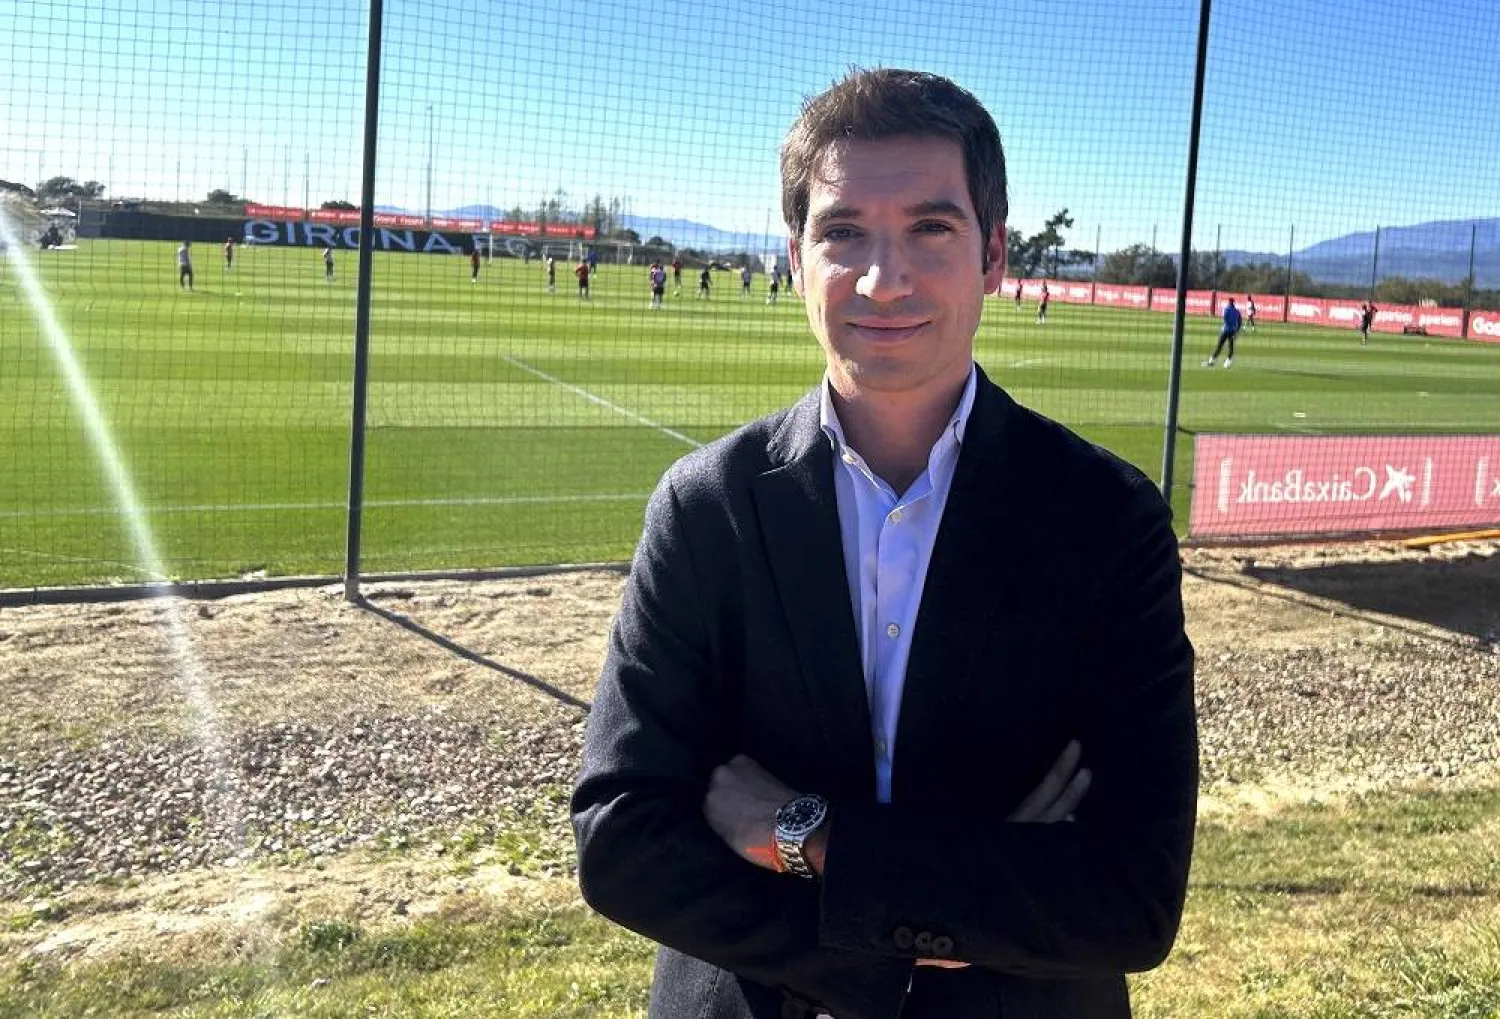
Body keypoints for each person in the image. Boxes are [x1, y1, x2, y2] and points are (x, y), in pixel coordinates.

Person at [573, 68, 1197, 1019]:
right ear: (795, 257)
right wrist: (911, 941)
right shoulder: (706, 507)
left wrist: (805, 835)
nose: (882, 276)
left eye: (929, 228)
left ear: (993, 253)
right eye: (844, 231)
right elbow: (619, 839)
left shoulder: (1107, 521)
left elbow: (1132, 896)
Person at [1203, 297, 1242, 368]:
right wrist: (1237, 330)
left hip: (1225, 330)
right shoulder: (1237, 311)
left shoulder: (1226, 309)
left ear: (1228, 302)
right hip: (1233, 331)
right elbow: (1239, 322)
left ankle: (1212, 361)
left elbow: (1224, 318)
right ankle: (1227, 363)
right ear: (1233, 303)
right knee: (1231, 347)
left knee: (1219, 346)